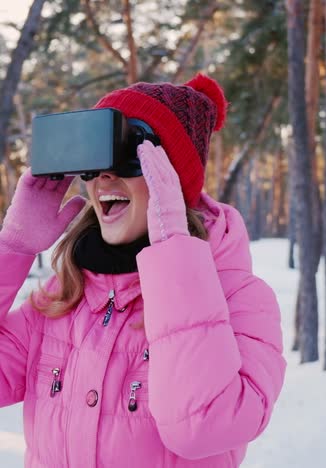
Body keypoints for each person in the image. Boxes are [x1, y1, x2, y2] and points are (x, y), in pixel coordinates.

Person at [0, 73, 286, 467]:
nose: (105, 175)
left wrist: (174, 251)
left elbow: (203, 429)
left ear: (171, 178)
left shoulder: (241, 298)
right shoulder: (63, 297)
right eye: (97, 156)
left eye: (130, 152)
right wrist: (12, 249)